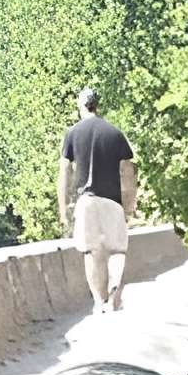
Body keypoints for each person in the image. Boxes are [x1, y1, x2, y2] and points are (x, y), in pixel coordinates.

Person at [58, 89, 137, 314]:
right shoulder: (114, 133)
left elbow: (64, 172)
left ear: (80, 106)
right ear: (97, 105)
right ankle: (112, 296)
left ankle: (97, 301)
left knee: (90, 252)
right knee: (117, 250)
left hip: (86, 201)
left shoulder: (72, 133)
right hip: (112, 201)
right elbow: (128, 172)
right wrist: (129, 205)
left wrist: (63, 208)